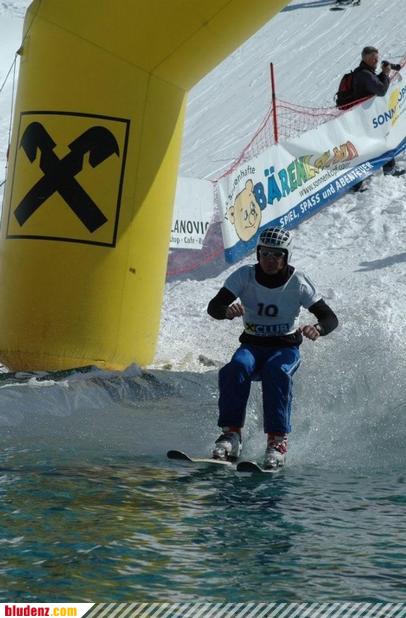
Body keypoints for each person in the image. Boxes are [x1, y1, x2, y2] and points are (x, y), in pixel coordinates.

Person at [207, 227, 338, 469]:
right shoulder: (244, 276)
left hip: (284, 349)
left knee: (276, 372)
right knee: (235, 368)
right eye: (265, 253)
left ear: (286, 256)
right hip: (252, 346)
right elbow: (214, 307)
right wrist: (226, 312)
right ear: (258, 253)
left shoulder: (298, 282)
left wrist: (318, 329)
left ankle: (277, 442)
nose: (270, 260)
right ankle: (231, 435)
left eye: (277, 255)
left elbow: (330, 318)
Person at [343, 46, 405, 190]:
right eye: (373, 58)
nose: (376, 60)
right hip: (362, 120)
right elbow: (381, 90)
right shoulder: (364, 74)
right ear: (364, 58)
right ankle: (356, 183)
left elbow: (376, 86)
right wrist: (385, 73)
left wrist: (383, 74)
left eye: (377, 57)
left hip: (367, 118)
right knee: (362, 150)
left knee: (382, 141)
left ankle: (389, 168)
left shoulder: (366, 72)